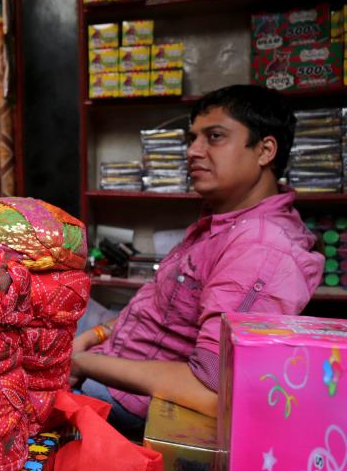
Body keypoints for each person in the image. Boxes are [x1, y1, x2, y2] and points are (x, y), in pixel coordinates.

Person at [71, 85, 324, 427]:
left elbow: (208, 387)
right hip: (116, 353)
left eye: (214, 137)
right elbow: (157, 308)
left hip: (133, 399)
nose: (193, 151)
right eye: (192, 139)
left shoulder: (260, 248)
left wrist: (82, 363)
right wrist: (93, 338)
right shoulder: (225, 221)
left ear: (265, 150)